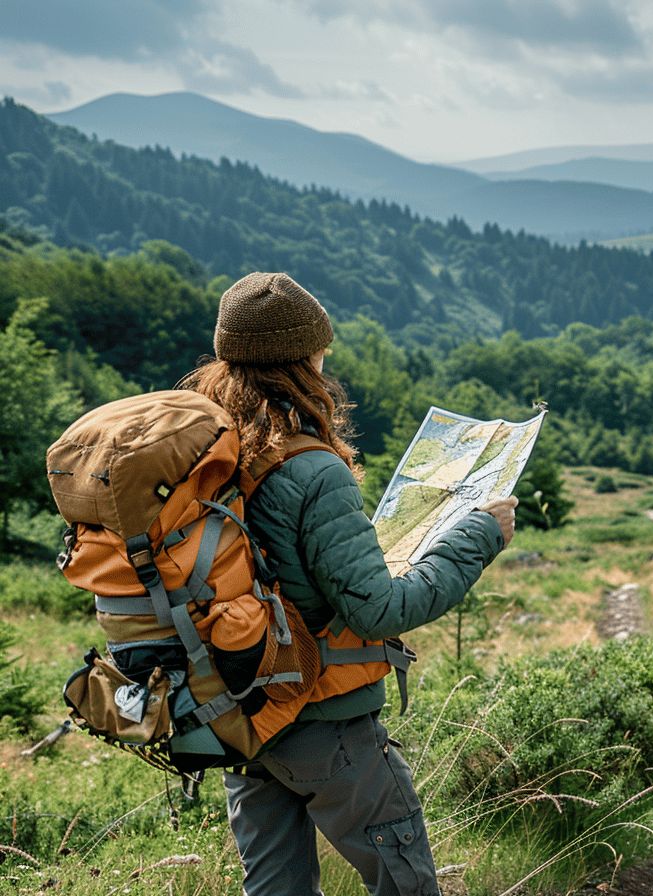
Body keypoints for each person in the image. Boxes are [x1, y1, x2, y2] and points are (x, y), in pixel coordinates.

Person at [180, 271, 516, 896]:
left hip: (245, 715)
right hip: (325, 722)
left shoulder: (209, 456)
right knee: (404, 884)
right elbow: (381, 610)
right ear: (305, 357)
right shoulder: (312, 469)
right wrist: (479, 535)